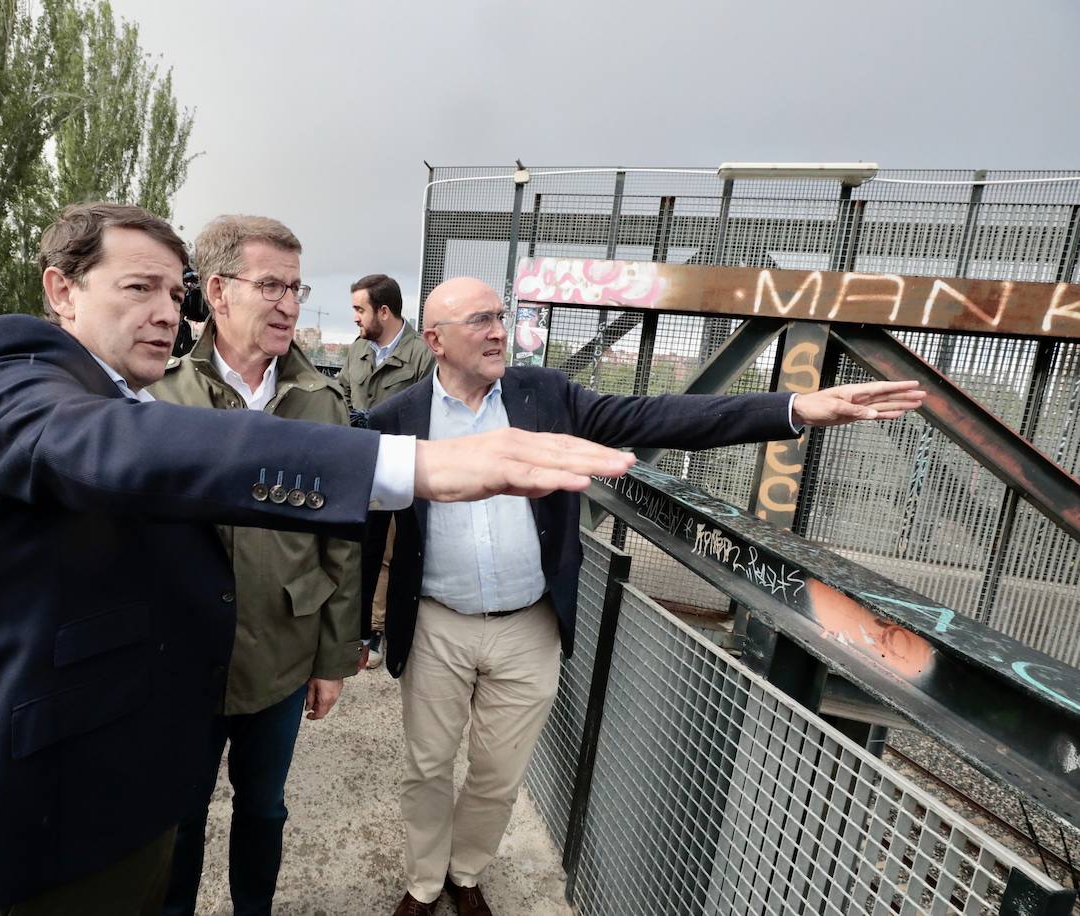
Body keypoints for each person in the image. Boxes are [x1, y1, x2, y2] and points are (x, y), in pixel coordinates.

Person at [0, 204, 634, 916]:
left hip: (151, 756)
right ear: (61, 290)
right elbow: (128, 449)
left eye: (173, 292)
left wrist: (331, 648)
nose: (167, 311)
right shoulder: (9, 368)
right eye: (138, 288)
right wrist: (408, 465)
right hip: (45, 815)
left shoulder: (155, 391)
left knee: (254, 812)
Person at [366, 276, 927, 916]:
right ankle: (422, 884)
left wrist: (797, 408)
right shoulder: (397, 419)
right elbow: (364, 533)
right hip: (439, 623)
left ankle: (466, 875)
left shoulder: (545, 395)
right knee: (428, 768)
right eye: (479, 321)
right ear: (435, 340)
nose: (498, 330)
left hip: (528, 628)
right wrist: (357, 631)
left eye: (501, 315)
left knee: (498, 772)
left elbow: (659, 415)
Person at [148, 215, 360, 916]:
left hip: (282, 649)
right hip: (178, 655)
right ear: (218, 290)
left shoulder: (321, 402)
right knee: (174, 816)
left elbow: (342, 541)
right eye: (271, 285)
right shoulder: (158, 394)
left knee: (263, 807)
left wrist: (332, 658)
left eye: (296, 288)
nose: (291, 305)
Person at [338, 274, 435, 668]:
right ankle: (359, 633)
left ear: (384, 310)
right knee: (362, 550)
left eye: (360, 310)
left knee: (398, 555)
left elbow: (429, 409)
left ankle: (385, 632)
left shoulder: (421, 355)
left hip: (404, 467)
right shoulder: (357, 350)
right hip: (363, 467)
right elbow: (343, 393)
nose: (356, 319)